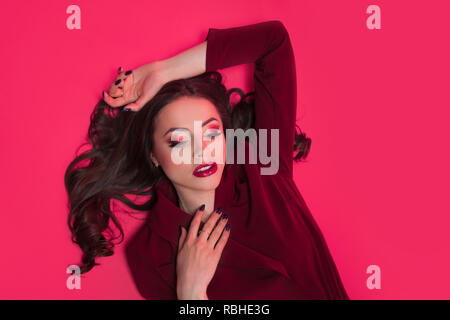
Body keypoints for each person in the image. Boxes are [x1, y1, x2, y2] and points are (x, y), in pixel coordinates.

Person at [65, 20, 349, 300]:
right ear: (153, 155)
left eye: (211, 134)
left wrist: (161, 72)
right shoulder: (151, 256)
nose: (201, 151)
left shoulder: (264, 166)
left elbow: (273, 42)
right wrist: (191, 295)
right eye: (179, 140)